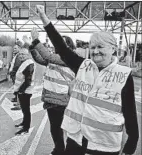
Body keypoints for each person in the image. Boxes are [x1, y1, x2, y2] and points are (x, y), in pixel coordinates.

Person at [36, 5, 139, 155]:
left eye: (100, 47)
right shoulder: (83, 66)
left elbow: (130, 113)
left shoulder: (123, 74)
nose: (95, 51)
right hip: (76, 138)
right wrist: (44, 18)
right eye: (92, 47)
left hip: (104, 144)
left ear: (113, 49)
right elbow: (61, 48)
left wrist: (130, 147)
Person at [24, 30, 76, 155]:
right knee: (55, 128)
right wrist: (31, 47)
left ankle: (61, 150)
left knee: (60, 128)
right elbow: (40, 59)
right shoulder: (55, 59)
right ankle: (59, 149)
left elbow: (47, 56)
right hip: (52, 98)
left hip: (61, 99)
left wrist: (36, 40)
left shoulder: (67, 58)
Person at [13, 47, 35, 135]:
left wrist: (21, 91)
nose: (21, 56)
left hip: (26, 91)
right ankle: (24, 123)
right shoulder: (25, 62)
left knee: (26, 109)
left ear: (28, 55)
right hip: (22, 90)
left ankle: (26, 128)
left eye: (23, 54)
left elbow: (28, 80)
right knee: (24, 109)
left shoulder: (29, 64)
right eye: (20, 54)